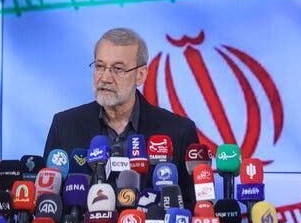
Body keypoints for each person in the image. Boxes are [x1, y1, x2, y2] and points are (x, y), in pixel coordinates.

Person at [44, 27, 199, 209]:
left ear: (140, 75)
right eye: (100, 66)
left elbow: (190, 207)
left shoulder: (179, 131)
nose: (105, 78)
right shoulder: (64, 126)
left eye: (118, 69)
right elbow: (48, 201)